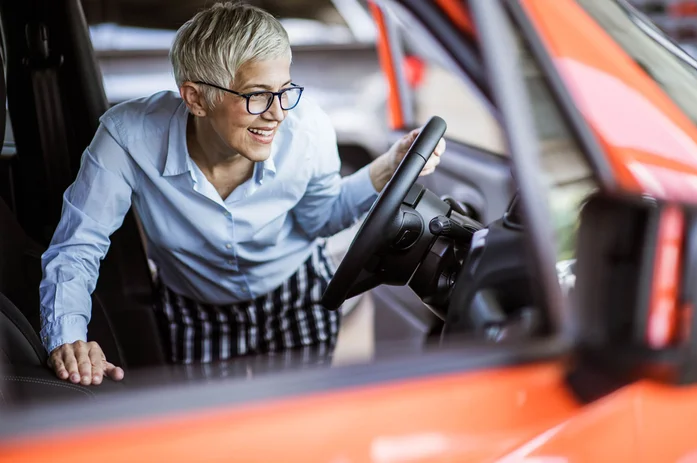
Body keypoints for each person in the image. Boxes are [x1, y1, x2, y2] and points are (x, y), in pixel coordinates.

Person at [38, 2, 445, 386]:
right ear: (196, 97)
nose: (278, 113)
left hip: (296, 293)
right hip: (195, 309)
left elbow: (319, 220)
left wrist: (387, 166)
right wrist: (67, 335)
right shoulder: (126, 136)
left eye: (285, 90)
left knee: (296, 423)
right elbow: (78, 245)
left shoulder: (308, 129)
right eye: (256, 95)